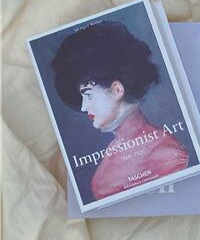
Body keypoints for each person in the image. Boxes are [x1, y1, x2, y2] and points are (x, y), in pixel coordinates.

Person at [52, 20, 189, 201]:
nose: (84, 107)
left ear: (117, 90)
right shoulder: (110, 155)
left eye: (88, 95)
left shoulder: (167, 153)